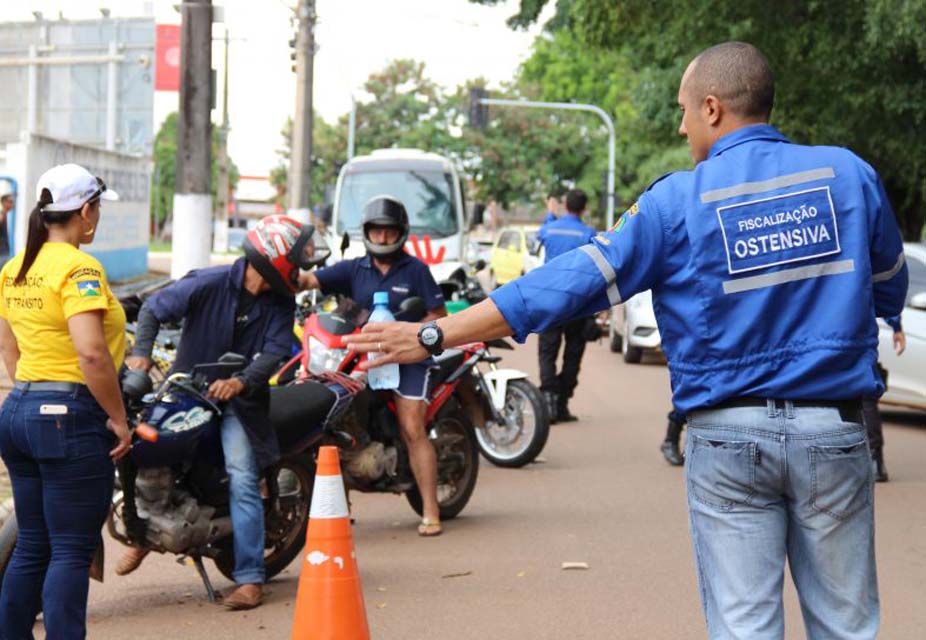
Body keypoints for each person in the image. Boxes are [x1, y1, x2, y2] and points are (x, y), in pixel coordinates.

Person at [344, 41, 907, 639]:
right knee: (847, 627)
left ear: (713, 109)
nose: (682, 124)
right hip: (834, 434)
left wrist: (435, 333)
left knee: (745, 628)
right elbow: (887, 287)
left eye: (684, 110)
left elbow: (568, 285)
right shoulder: (848, 175)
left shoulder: (676, 203)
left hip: (729, 441)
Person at [114, 215, 324, 610]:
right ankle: (146, 530)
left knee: (243, 476)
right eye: (297, 263)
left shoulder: (280, 302)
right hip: (185, 392)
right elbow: (152, 311)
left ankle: (249, 578)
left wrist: (241, 381)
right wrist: (140, 356)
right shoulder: (208, 283)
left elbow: (277, 352)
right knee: (142, 451)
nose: (302, 273)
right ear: (277, 259)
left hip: (238, 406)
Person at [0, 164, 131, 638]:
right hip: (68, 420)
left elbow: (9, 349)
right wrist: (118, 418)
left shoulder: (16, 267)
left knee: (33, 544)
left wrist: (34, 398)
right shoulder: (79, 268)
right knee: (71, 550)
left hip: (18, 412)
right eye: (97, 208)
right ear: (86, 211)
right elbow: (93, 354)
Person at [299, 195, 447, 536]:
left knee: (412, 428)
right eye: (376, 231)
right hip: (362, 358)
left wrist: (412, 330)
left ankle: (430, 509)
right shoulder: (354, 269)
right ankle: (338, 508)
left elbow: (438, 317)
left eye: (388, 232)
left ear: (400, 233)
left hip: (407, 357)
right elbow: (310, 281)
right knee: (335, 419)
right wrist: (289, 271)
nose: (382, 238)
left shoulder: (416, 271)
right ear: (367, 232)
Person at [536, 189, 596, 422]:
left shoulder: (549, 228)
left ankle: (549, 401)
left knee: (547, 352)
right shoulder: (588, 233)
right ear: (583, 209)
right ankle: (561, 404)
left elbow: (542, 235)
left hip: (550, 301)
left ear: (565, 206)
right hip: (577, 302)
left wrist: (550, 214)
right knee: (573, 353)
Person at [863, 314, 905, 482]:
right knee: (865, 395)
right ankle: (875, 460)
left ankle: (874, 458)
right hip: (855, 333)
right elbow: (886, 292)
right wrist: (896, 326)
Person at [0, 187, 13, 266]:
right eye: (10, 202)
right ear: (3, 202)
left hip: (4, 253)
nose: (12, 204)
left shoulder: (5, 215)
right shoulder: (2, 215)